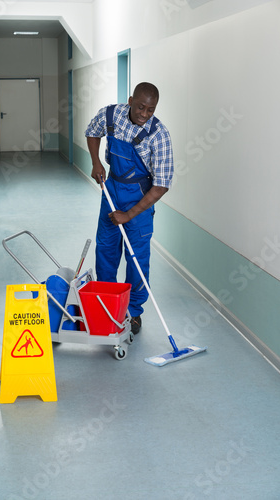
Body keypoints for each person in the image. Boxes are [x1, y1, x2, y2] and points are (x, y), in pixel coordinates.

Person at [85, 82, 173, 334]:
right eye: (140, 107)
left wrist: (129, 214)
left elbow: (162, 185)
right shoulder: (111, 114)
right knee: (106, 252)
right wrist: (96, 162)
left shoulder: (159, 135)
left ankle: (133, 311)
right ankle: (106, 304)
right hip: (112, 189)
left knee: (137, 259)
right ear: (130, 100)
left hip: (141, 198)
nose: (144, 114)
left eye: (151, 110)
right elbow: (92, 131)